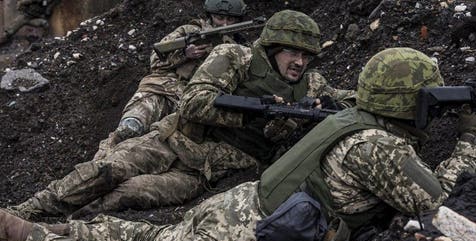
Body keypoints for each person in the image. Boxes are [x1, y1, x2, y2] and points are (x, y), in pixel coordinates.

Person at [0, 47, 476, 241]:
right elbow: (434, 201)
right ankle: (27, 235)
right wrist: (470, 138)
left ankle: (73, 229)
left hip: (235, 207)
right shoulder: (376, 146)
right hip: (246, 237)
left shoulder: (352, 116)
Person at [9, 10, 356, 219]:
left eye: (306, 56)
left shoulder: (310, 85)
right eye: (292, 52)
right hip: (173, 140)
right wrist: (254, 113)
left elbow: (349, 99)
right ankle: (26, 212)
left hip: (204, 171)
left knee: (127, 195)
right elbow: (194, 101)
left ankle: (54, 230)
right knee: (107, 169)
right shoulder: (236, 57)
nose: (299, 62)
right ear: (273, 48)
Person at [93, 0, 249, 160]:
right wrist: (184, 54)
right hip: (160, 89)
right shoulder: (190, 31)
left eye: (230, 20)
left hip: (189, 104)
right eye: (219, 18)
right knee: (129, 129)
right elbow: (155, 59)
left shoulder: (239, 49)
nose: (223, 23)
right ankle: (95, 167)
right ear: (210, 15)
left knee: (151, 150)